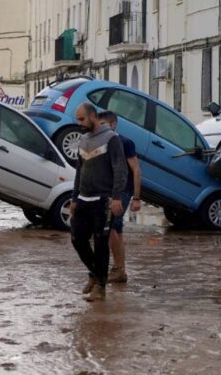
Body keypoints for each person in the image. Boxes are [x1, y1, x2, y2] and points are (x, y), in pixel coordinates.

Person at [69, 103, 127, 302]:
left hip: (104, 200)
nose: (79, 123)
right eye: (78, 119)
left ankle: (100, 288)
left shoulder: (112, 139)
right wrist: (75, 198)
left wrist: (116, 197)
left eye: (82, 119)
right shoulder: (83, 140)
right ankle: (95, 274)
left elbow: (120, 169)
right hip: (84, 199)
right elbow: (79, 171)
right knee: (77, 239)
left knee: (101, 243)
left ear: (93, 116)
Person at [98, 111, 142, 284]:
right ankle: (120, 270)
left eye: (104, 124)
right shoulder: (101, 143)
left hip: (123, 190)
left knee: (111, 228)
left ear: (113, 124)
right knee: (117, 229)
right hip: (108, 191)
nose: (101, 128)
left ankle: (117, 269)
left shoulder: (125, 142)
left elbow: (136, 170)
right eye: (99, 125)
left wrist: (136, 198)